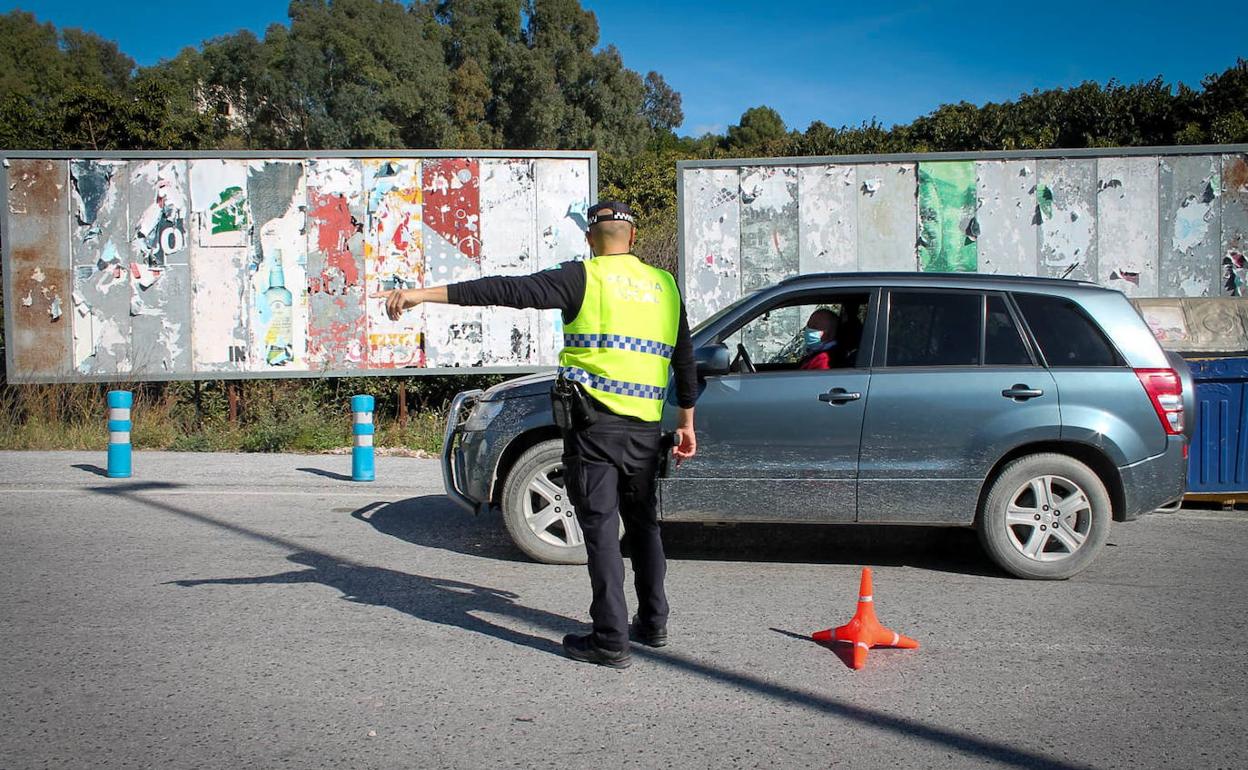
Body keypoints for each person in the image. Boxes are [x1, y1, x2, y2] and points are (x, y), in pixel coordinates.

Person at [383, 200, 697, 669]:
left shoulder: (583, 277)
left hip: (595, 428)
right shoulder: (665, 285)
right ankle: (653, 622)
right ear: (633, 239)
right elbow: (685, 361)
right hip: (647, 429)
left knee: (602, 531)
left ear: (591, 240)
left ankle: (611, 639)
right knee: (645, 524)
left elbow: (505, 289)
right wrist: (687, 423)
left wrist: (422, 294)